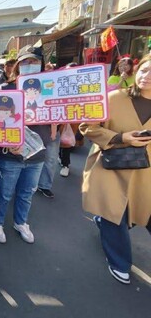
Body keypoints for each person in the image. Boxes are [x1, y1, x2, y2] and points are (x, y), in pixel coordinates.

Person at [80, 55, 151, 285]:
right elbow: (87, 126)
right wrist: (120, 137)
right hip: (111, 166)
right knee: (114, 214)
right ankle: (119, 261)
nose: (146, 77)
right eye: (143, 70)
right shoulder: (113, 98)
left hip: (145, 174)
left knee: (142, 212)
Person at [0, 45, 52, 244]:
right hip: (10, 153)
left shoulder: (50, 88)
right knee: (4, 192)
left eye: (34, 61)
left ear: (42, 64)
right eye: (25, 61)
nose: (30, 65)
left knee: (27, 192)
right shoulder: (6, 89)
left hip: (37, 153)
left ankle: (21, 222)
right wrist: (7, 142)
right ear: (18, 66)